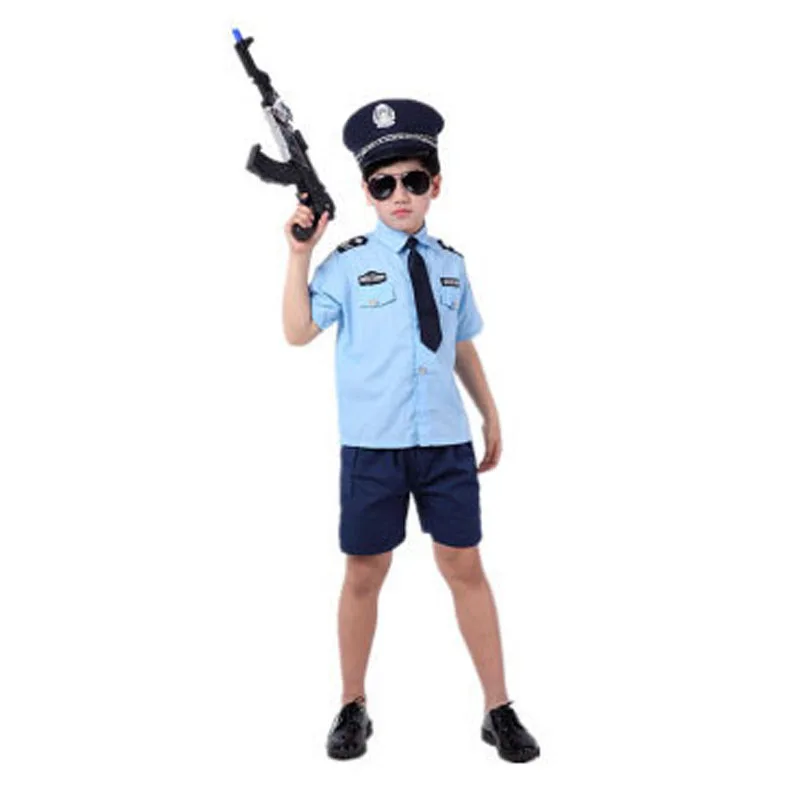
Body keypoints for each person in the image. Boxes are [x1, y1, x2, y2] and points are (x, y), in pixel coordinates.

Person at [281, 98, 540, 763]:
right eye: (383, 183)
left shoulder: (452, 264)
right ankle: (352, 703)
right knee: (365, 571)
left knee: (465, 566)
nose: (400, 195)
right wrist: (299, 255)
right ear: (366, 190)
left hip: (445, 444)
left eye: (414, 180)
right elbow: (298, 330)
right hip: (374, 447)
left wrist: (489, 411)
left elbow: (460, 344)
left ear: (436, 185)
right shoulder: (347, 263)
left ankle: (498, 708)